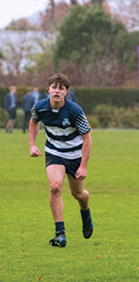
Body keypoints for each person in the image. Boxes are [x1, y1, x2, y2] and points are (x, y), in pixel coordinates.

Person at [29, 73, 94, 247]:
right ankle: (60, 234)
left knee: (77, 194)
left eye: (61, 88)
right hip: (54, 153)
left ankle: (85, 212)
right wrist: (32, 145)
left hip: (74, 155)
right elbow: (33, 121)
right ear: (48, 90)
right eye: (54, 87)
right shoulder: (40, 107)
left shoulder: (75, 111)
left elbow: (87, 138)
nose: (57, 91)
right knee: (55, 186)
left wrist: (83, 166)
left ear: (66, 92)